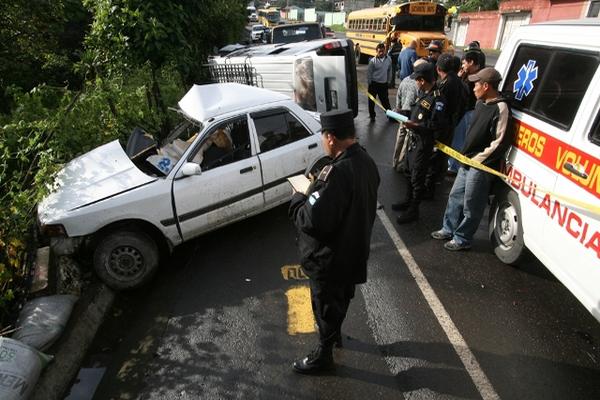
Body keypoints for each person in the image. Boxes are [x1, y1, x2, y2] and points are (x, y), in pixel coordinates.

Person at [289, 109, 380, 374]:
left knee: (325, 306)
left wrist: (298, 197)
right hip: (354, 251)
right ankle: (334, 335)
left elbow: (311, 219)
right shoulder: (367, 161)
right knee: (341, 299)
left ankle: (323, 355)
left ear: (330, 138)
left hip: (330, 259)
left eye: (322, 136)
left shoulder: (336, 173)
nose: (321, 141)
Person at [431, 67, 512, 251]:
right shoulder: (480, 103)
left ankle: (462, 238)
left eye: (476, 84)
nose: (473, 87)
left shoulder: (501, 108)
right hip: (466, 161)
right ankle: (448, 229)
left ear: (486, 86)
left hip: (480, 165)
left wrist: (478, 159)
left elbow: (500, 142)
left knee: (472, 204)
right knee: (455, 197)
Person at [392, 62, 448, 224]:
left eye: (417, 80)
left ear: (423, 80)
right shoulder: (423, 94)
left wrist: (416, 126)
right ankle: (407, 201)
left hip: (424, 143)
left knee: (417, 177)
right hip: (414, 140)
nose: (416, 82)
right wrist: (403, 113)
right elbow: (416, 112)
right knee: (409, 172)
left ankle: (413, 210)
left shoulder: (438, 99)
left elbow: (437, 125)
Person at [423, 53, 468, 198]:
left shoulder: (446, 84)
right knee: (441, 157)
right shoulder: (460, 82)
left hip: (441, 127)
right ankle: (436, 181)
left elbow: (439, 107)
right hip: (450, 125)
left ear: (438, 69)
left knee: (434, 158)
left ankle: (429, 189)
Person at [448, 45, 486, 173]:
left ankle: (454, 166)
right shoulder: (470, 74)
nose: (463, 66)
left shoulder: (475, 78)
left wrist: (458, 78)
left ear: (471, 62)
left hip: (468, 113)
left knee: (459, 140)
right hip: (468, 113)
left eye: (464, 63)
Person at [392, 58, 427, 171]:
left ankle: (395, 161)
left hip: (401, 113)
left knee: (400, 137)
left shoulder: (405, 80)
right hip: (411, 117)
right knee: (407, 140)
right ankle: (401, 165)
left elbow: (398, 96)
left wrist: (398, 110)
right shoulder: (420, 83)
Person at [367, 43, 392, 122]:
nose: (381, 53)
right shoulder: (372, 61)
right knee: (371, 102)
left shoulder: (389, 59)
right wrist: (370, 83)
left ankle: (390, 116)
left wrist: (388, 81)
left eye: (382, 51)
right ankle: (372, 116)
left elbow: (389, 71)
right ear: (376, 52)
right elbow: (369, 73)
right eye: (379, 51)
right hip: (373, 84)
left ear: (385, 51)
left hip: (383, 84)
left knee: (385, 101)